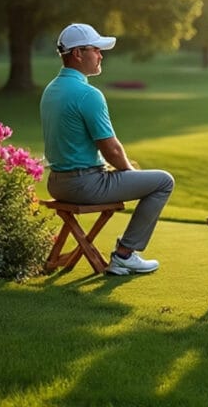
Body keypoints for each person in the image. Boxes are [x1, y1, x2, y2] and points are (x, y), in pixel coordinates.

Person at [40, 23, 175, 275]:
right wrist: (129, 171)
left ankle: (122, 254)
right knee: (163, 181)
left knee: (148, 179)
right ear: (78, 53)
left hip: (57, 183)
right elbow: (112, 149)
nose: (101, 55)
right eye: (96, 49)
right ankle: (125, 254)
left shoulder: (51, 90)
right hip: (84, 185)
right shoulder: (88, 94)